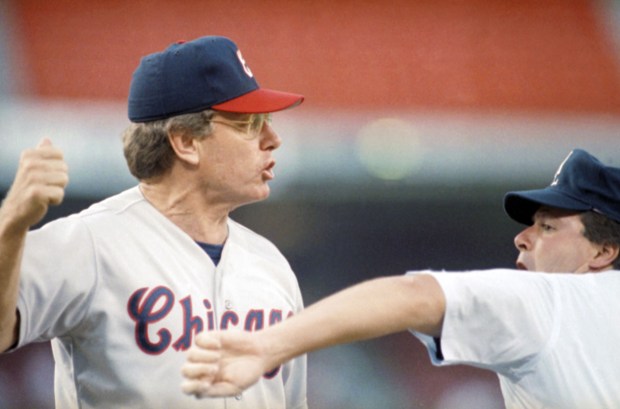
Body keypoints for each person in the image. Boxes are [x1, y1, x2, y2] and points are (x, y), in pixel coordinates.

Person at [0, 35, 308, 409]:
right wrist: (11, 222)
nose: (272, 139)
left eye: (268, 121)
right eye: (248, 124)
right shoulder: (91, 241)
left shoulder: (272, 265)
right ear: (185, 142)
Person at [181, 149, 620, 409]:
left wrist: (268, 344)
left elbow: (412, 296)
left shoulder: (552, 300)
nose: (522, 238)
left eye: (547, 227)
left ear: (604, 252)